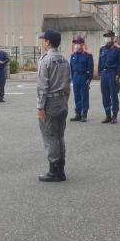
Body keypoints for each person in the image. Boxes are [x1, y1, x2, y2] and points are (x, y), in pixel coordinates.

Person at [37, 29, 71, 182]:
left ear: (48, 42)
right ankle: (61, 168)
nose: (43, 42)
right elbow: (68, 83)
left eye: (44, 40)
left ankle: (54, 170)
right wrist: (65, 100)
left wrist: (40, 107)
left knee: (50, 136)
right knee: (60, 136)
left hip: (50, 101)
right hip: (62, 99)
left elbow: (43, 87)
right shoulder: (64, 59)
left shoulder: (46, 60)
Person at [98, 30, 120, 124]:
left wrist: (118, 74)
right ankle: (108, 115)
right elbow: (100, 62)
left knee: (114, 95)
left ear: (113, 37)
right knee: (105, 95)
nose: (107, 38)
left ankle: (114, 115)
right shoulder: (102, 49)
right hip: (104, 74)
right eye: (105, 36)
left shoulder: (118, 49)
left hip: (113, 74)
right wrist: (100, 74)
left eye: (108, 36)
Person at [70, 36, 94, 122]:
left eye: (78, 43)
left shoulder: (87, 55)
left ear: (82, 44)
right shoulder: (73, 55)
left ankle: (84, 114)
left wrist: (89, 79)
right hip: (76, 77)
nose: (76, 45)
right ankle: (78, 113)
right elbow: (71, 68)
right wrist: (72, 78)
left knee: (84, 96)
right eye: (75, 43)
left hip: (83, 76)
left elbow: (90, 68)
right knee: (77, 96)